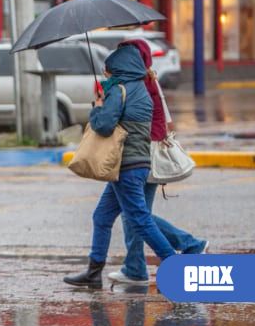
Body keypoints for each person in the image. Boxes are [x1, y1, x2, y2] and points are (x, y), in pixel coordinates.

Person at [64, 44, 175, 289]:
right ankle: (94, 273)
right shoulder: (141, 89)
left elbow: (103, 125)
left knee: (139, 219)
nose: (108, 74)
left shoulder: (119, 90)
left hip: (126, 166)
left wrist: (98, 107)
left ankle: (174, 264)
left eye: (110, 70)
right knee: (102, 216)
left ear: (120, 68)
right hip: (136, 164)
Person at [107, 40, 208, 286]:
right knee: (136, 214)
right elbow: (168, 121)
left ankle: (189, 245)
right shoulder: (150, 79)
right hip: (147, 152)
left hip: (141, 154)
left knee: (137, 215)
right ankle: (135, 267)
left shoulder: (136, 83)